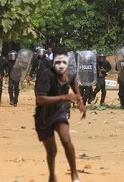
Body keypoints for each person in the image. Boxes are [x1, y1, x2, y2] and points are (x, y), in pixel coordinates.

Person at [34, 47, 86, 182]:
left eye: (64, 62)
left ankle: (74, 175)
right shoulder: (46, 75)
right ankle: (52, 175)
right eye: (58, 62)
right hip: (43, 115)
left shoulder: (71, 73)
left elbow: (75, 85)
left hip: (60, 112)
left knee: (66, 139)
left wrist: (80, 101)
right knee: (51, 151)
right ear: (53, 63)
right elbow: (39, 100)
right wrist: (64, 97)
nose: (61, 65)